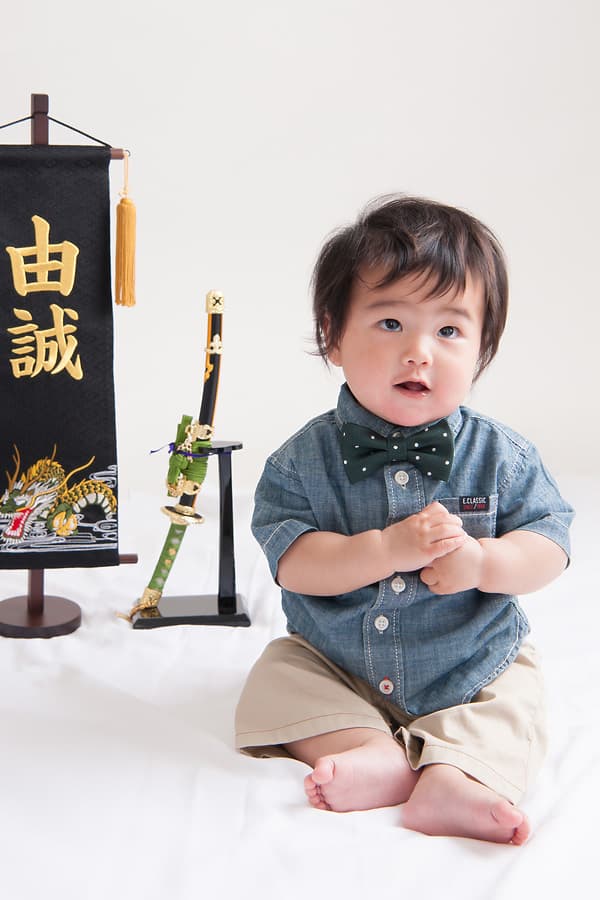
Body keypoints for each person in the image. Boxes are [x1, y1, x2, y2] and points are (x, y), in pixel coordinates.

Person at [235, 195, 574, 845]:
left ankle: (456, 776)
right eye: (391, 323)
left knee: (515, 700)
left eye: (449, 331)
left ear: (481, 349)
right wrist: (384, 550)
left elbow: (549, 542)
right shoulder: (299, 462)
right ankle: (369, 748)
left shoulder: (503, 457)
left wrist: (484, 563)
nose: (420, 352)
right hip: (339, 663)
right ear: (333, 335)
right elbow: (294, 563)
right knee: (279, 677)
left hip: (470, 665)